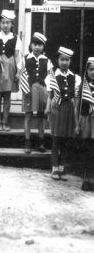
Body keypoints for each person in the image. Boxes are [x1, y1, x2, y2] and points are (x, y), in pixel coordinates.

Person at [45, 47, 81, 180]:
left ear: (70, 61)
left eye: (67, 60)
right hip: (56, 110)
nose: (64, 62)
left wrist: (76, 117)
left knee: (65, 140)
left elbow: (75, 99)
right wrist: (47, 108)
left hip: (69, 110)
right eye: (62, 59)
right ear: (57, 60)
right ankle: (54, 168)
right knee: (56, 139)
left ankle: (61, 167)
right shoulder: (52, 77)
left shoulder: (75, 78)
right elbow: (49, 96)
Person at [20, 32, 52, 153]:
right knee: (28, 116)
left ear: (43, 46)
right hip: (28, 91)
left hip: (41, 91)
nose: (37, 47)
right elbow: (21, 74)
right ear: (31, 45)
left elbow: (49, 77)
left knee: (41, 116)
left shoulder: (47, 60)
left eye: (40, 45)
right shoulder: (25, 59)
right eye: (35, 44)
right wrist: (25, 87)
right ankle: (27, 142)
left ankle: (41, 142)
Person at [0, 9, 21, 131]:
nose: (5, 25)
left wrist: (18, 71)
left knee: (7, 95)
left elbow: (17, 55)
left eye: (8, 23)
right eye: (3, 22)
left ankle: (5, 120)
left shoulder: (16, 38)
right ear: (0, 24)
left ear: (12, 24)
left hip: (10, 67)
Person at [76, 57, 94, 190]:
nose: (93, 72)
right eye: (91, 69)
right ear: (87, 71)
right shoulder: (82, 87)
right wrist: (77, 123)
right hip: (86, 118)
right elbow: (77, 107)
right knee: (86, 146)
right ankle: (86, 178)